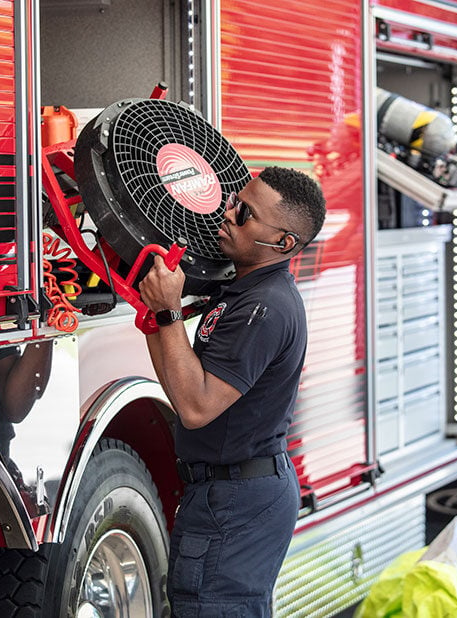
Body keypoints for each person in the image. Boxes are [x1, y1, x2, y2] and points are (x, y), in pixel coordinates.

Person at [139, 166, 327, 617]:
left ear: (283, 243)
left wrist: (167, 315)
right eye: (233, 200)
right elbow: (183, 391)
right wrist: (154, 313)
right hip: (229, 492)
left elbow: (196, 406)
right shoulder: (245, 290)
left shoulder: (264, 308)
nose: (227, 212)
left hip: (238, 501)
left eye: (243, 213)